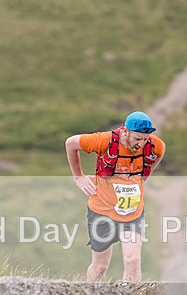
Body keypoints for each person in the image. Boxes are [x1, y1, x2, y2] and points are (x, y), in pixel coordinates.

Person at [65, 111, 165, 282]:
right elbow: (71, 143)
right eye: (137, 138)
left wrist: (143, 174)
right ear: (125, 132)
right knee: (100, 267)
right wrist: (78, 176)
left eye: (145, 139)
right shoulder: (103, 140)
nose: (141, 144)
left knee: (133, 260)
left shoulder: (155, 145)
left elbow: (159, 154)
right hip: (102, 211)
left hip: (132, 213)